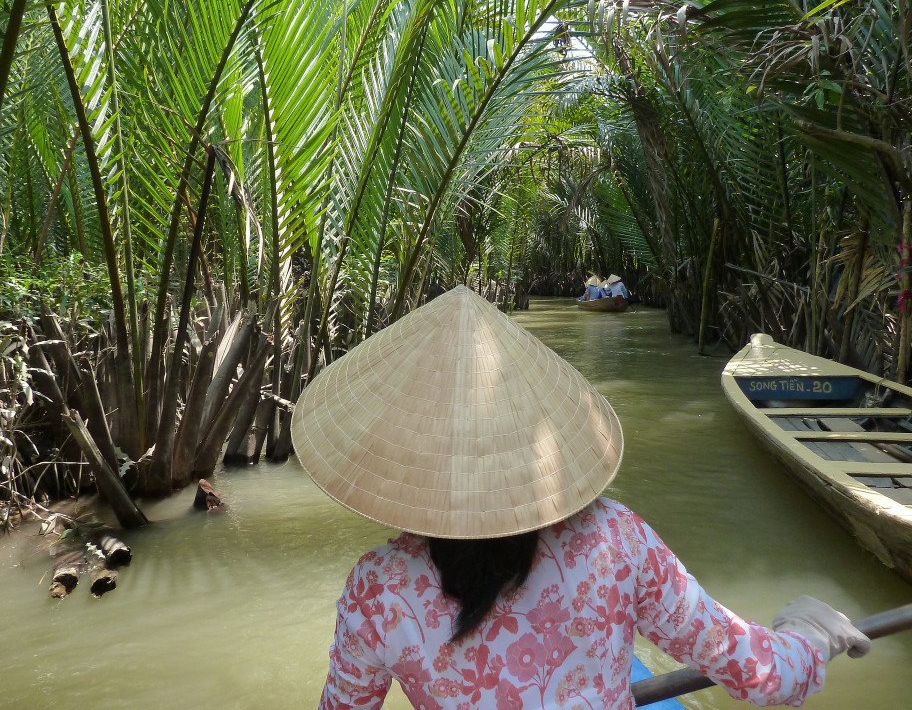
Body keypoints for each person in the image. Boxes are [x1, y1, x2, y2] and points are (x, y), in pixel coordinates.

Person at [292, 286, 870, 710]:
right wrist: (810, 639)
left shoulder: (376, 589)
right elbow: (754, 670)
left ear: (408, 460)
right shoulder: (616, 541)